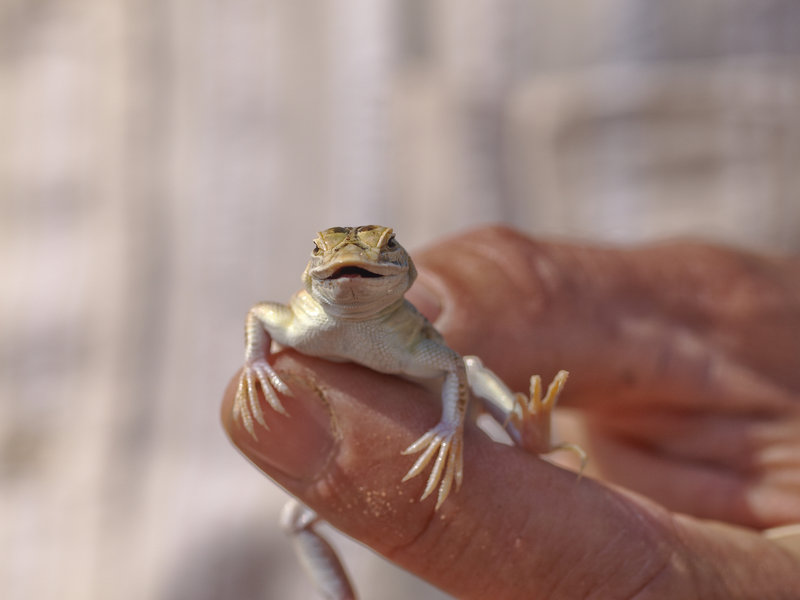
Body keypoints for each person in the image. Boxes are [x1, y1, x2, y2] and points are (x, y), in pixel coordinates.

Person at [221, 226, 800, 598]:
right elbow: (261, 317)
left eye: (380, 255)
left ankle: (527, 427)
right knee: (296, 521)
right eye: (329, 258)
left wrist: (451, 427)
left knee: (470, 368)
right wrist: (257, 365)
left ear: (401, 272)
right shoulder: (303, 320)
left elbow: (452, 368)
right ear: (314, 272)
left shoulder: (403, 332)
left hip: (476, 413)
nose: (352, 268)